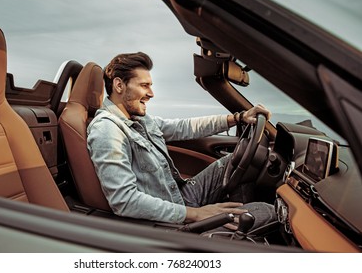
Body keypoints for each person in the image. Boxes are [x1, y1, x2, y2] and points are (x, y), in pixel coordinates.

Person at [87, 52, 276, 231]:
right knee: (270, 212)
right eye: (144, 85)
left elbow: (184, 127)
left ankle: (233, 225)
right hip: (169, 219)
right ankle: (229, 230)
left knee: (241, 160)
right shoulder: (107, 129)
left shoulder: (138, 120)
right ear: (119, 85)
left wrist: (239, 117)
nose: (151, 93)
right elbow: (124, 200)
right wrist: (196, 214)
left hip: (179, 196)